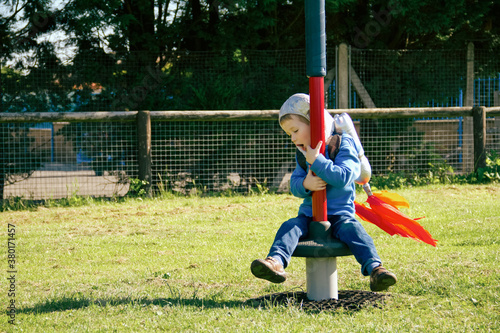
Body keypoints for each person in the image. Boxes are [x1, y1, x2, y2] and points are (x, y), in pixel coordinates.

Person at [250, 93, 397, 292]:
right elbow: (294, 184)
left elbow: (343, 176)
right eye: (289, 134)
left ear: (316, 123)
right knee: (290, 226)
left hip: (340, 216)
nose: (293, 138)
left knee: (355, 232)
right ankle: (275, 262)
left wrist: (317, 161)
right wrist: (306, 184)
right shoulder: (303, 154)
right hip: (309, 216)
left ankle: (376, 270)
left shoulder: (342, 144)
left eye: (295, 130)